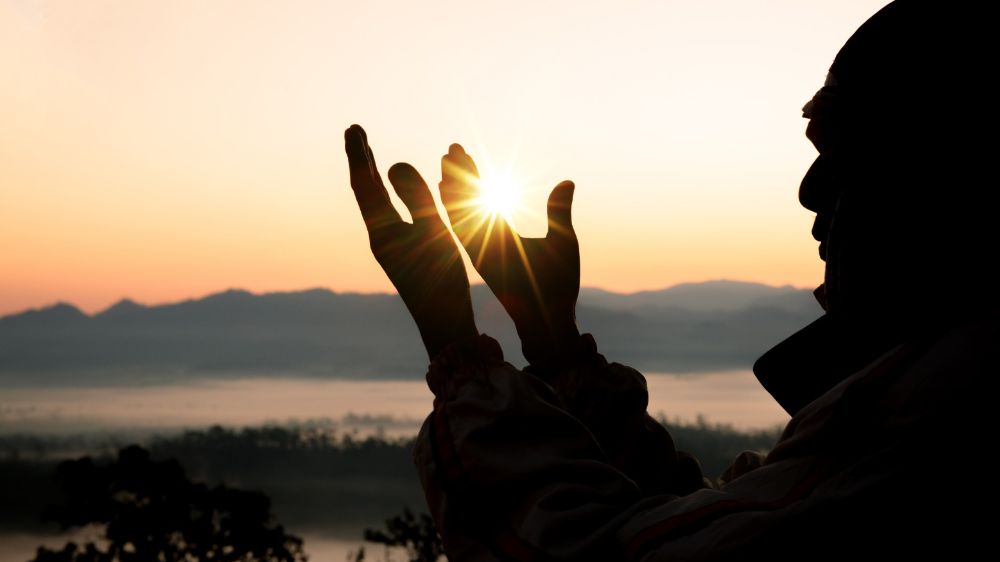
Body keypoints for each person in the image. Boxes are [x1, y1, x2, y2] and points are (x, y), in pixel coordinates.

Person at [344, 1, 994, 559]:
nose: (809, 191)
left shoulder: (932, 413)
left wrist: (456, 348)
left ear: (948, 167)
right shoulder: (916, 391)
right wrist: (554, 342)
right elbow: (696, 519)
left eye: (849, 152)